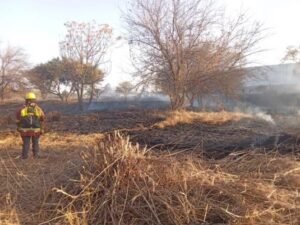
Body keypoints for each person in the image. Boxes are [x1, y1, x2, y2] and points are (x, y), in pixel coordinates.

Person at [16, 92, 45, 159]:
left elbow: (17, 118)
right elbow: (42, 118)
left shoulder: (21, 109)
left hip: (24, 130)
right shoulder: (38, 109)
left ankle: (25, 157)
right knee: (35, 143)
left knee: (26, 144)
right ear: (34, 100)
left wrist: (18, 127)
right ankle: (36, 156)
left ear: (26, 100)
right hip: (36, 130)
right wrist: (42, 129)